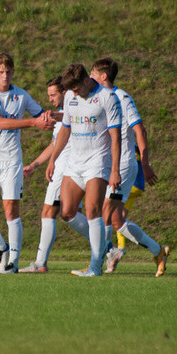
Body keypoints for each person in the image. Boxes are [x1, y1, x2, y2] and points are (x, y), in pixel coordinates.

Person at [0, 51, 53, 273]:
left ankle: (13, 263)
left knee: (11, 210)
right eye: (1, 72)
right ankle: (2, 247)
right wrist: (33, 123)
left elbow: (43, 115)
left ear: (13, 72)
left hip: (11, 161)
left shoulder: (21, 96)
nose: (5, 75)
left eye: (8, 72)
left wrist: (67, 115)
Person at [89, 58, 168, 277]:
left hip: (122, 164)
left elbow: (140, 130)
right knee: (116, 220)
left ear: (104, 76)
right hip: (106, 163)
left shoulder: (121, 97)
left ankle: (98, 263)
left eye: (93, 73)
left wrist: (145, 164)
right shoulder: (97, 99)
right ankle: (157, 250)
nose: (90, 76)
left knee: (103, 211)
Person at [45, 63, 121, 277]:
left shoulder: (107, 97)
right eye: (71, 91)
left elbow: (116, 137)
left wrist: (115, 170)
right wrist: (53, 160)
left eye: (77, 89)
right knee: (67, 212)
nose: (74, 94)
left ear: (87, 80)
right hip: (75, 162)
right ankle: (107, 248)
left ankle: (95, 267)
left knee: (92, 211)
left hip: (98, 161)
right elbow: (66, 129)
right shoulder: (70, 96)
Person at [20, 76, 92, 273]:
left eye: (53, 95)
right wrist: (35, 165)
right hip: (66, 168)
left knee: (49, 212)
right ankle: (106, 248)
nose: (50, 99)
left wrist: (51, 164)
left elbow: (61, 144)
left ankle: (40, 263)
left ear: (64, 92)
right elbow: (54, 144)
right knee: (69, 214)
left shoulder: (70, 112)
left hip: (63, 169)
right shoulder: (66, 113)